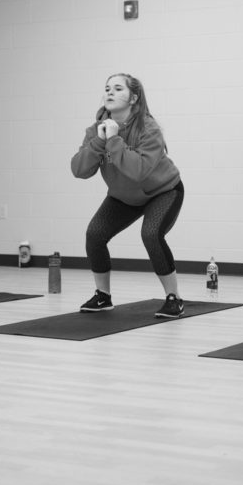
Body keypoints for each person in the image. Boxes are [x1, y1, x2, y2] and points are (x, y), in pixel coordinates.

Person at [70, 73, 186, 318]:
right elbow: (79, 170)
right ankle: (103, 296)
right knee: (95, 234)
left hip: (162, 191)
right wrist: (99, 141)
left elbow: (139, 171)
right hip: (124, 196)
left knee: (151, 234)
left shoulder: (148, 128)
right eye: (107, 88)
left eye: (118, 89)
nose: (110, 93)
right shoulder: (96, 130)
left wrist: (113, 140)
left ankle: (174, 298)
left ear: (133, 97)